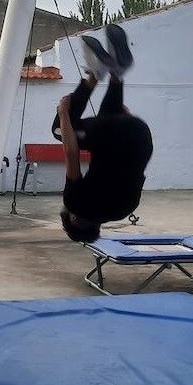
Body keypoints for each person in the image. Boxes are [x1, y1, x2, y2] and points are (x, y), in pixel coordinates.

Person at [54, 23, 153, 243]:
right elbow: (71, 153)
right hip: (117, 136)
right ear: (74, 219)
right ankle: (95, 75)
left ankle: (117, 74)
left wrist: (123, 122)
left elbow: (130, 168)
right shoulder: (75, 204)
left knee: (107, 124)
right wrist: (63, 112)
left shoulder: (123, 211)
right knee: (60, 130)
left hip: (140, 135)